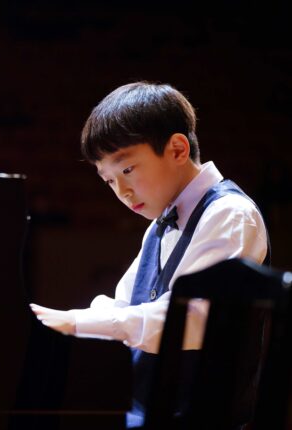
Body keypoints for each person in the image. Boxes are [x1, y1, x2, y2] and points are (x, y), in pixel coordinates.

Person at [30, 81, 269, 428]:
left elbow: (193, 319)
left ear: (177, 149)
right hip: (149, 412)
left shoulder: (230, 214)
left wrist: (75, 322)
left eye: (127, 170)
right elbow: (124, 306)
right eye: (109, 181)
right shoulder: (160, 224)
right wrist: (57, 321)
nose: (123, 192)